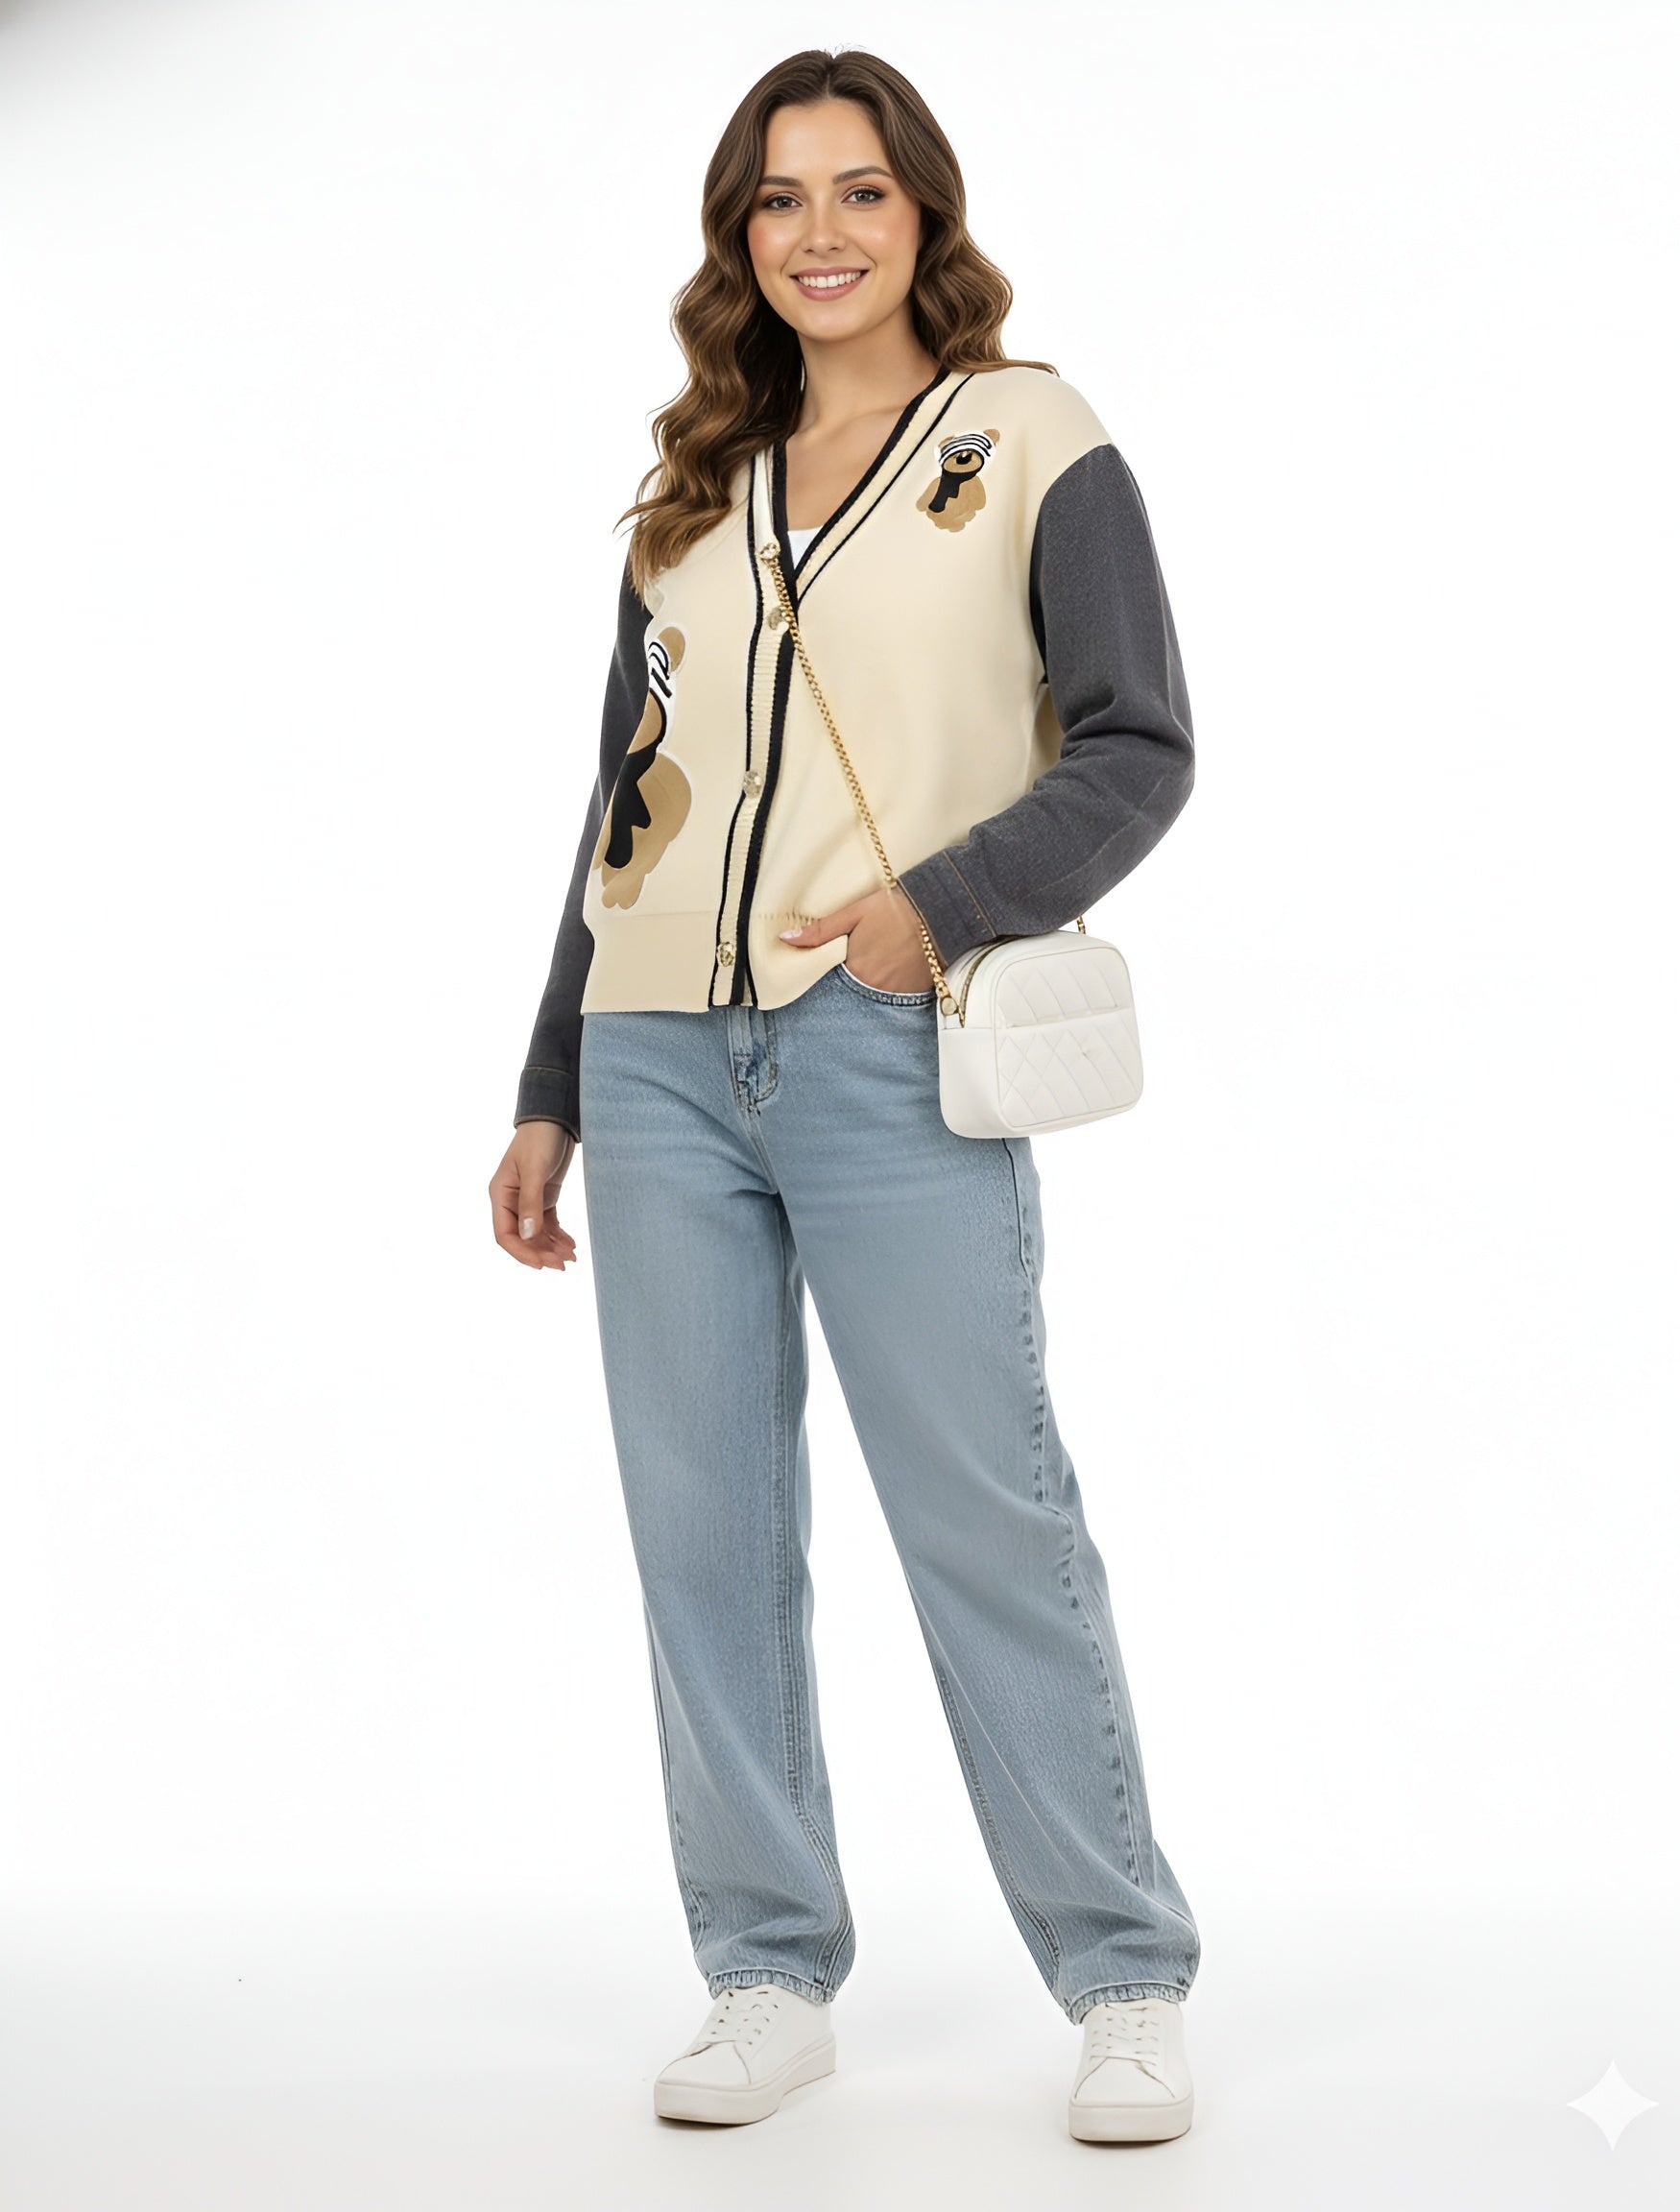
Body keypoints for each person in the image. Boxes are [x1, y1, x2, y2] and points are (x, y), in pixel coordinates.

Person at [488, 48, 1203, 2146]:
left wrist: (932, 911)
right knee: (702, 1531)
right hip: (655, 1063)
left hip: (887, 1043)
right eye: (781, 198)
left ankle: (1123, 1976)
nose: (820, 233)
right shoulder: (686, 502)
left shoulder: (1029, 438)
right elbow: (619, 812)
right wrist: (551, 1082)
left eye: (860, 192)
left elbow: (1139, 745)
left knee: (985, 1511)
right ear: (740, 234)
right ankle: (764, 1968)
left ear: (923, 215)